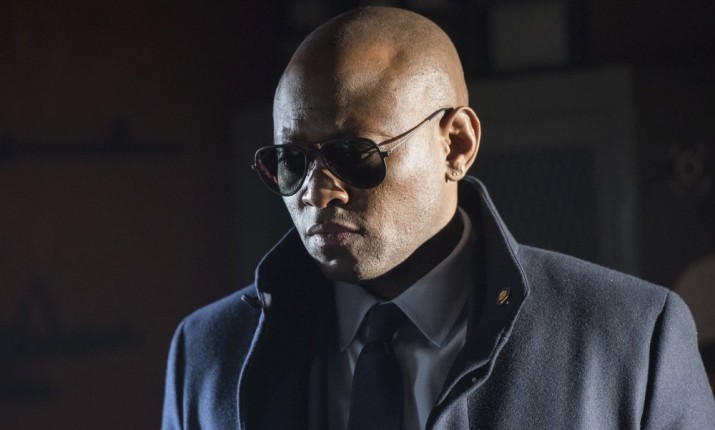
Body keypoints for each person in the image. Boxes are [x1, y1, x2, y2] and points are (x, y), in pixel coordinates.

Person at [162, 6, 715, 429]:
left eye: (354, 154)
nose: (317, 193)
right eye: (291, 162)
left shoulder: (632, 340)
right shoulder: (208, 354)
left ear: (457, 144)